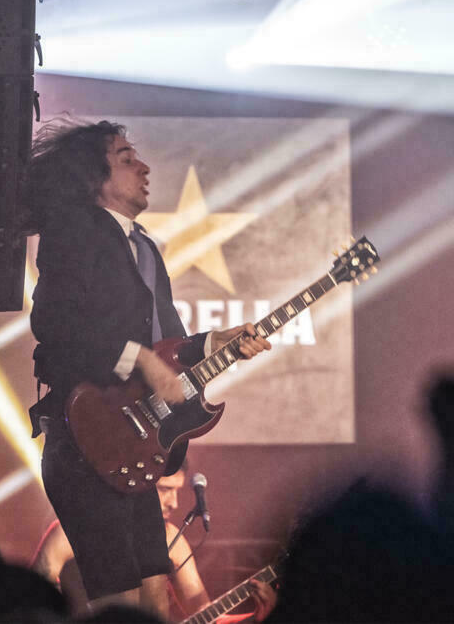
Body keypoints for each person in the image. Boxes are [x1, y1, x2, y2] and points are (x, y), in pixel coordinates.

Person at [19, 120, 271, 619]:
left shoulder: (145, 248)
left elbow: (167, 342)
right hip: (85, 441)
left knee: (155, 599)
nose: (144, 167)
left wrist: (215, 342)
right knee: (121, 602)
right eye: (126, 158)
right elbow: (53, 323)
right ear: (95, 177)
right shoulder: (72, 233)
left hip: (132, 452)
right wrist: (139, 360)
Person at [31, 464, 277, 621]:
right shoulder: (73, 531)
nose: (174, 503)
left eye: (177, 491)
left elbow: (206, 614)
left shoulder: (172, 539)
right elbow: (31, 602)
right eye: (164, 490)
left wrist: (256, 617)